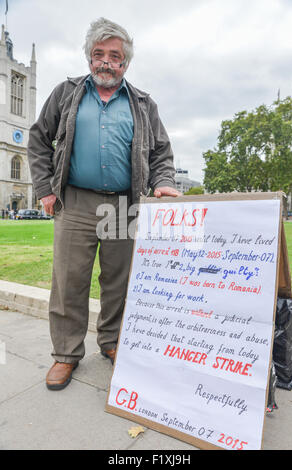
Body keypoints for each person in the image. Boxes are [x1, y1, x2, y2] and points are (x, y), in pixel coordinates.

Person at [28, 17, 180, 391]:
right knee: (69, 281)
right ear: (89, 59)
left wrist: (162, 183)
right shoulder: (66, 93)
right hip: (76, 201)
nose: (106, 62)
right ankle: (65, 354)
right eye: (99, 54)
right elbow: (38, 139)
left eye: (114, 56)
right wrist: (46, 189)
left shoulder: (143, 103)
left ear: (125, 63)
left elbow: (161, 153)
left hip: (124, 205)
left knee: (119, 282)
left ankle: (112, 343)